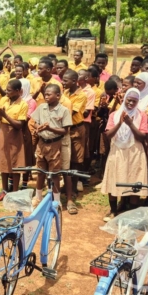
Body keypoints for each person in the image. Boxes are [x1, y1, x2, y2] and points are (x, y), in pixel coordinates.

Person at [100, 89, 148, 221]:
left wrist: (130, 124)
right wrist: (120, 123)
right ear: (124, 99)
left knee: (134, 181)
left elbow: (142, 137)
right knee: (114, 179)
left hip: (135, 151)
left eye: (134, 101)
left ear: (138, 102)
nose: (131, 103)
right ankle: (113, 211)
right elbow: (108, 135)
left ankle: (131, 214)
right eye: (129, 100)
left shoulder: (141, 115)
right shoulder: (114, 115)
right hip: (117, 150)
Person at [30, 84, 72, 208]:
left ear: (58, 96)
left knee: (54, 173)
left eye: (49, 94)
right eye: (45, 94)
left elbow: (65, 131)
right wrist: (39, 127)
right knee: (40, 171)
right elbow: (35, 122)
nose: (46, 96)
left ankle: (57, 200)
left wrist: (49, 128)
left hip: (55, 144)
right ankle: (38, 197)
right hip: (42, 143)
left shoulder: (63, 110)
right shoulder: (41, 107)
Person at [0, 79, 28, 201]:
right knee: (4, 161)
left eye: (9, 90)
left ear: (18, 91)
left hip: (15, 134)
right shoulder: (4, 100)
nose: (6, 92)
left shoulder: (23, 104)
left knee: (15, 162)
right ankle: (4, 190)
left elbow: (19, 125)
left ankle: (14, 192)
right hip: (3, 132)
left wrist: (5, 115)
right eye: (6, 90)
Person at [63, 69, 86, 214]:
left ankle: (73, 189)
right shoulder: (65, 93)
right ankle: (66, 186)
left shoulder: (81, 95)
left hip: (76, 129)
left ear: (74, 81)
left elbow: (72, 112)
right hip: (65, 129)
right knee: (66, 159)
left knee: (76, 160)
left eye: (65, 80)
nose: (63, 82)